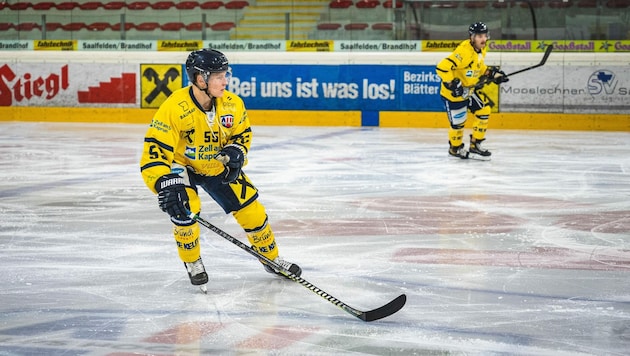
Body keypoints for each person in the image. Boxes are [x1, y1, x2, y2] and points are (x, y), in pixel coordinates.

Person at [139, 48, 301, 291]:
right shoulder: (174, 107)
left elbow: (242, 134)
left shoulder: (233, 104)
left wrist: (236, 151)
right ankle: (192, 261)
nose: (225, 81)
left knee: (252, 211)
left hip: (216, 163)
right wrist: (164, 182)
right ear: (200, 78)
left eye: (226, 74)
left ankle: (271, 258)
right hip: (181, 165)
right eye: (218, 76)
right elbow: (154, 151)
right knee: (185, 209)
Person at [435, 22, 509, 160]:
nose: (483, 39)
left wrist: (492, 74)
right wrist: (452, 84)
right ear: (472, 37)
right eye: (480, 36)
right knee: (458, 124)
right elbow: (441, 67)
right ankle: (455, 149)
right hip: (453, 96)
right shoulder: (464, 52)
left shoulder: (481, 49)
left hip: (469, 90)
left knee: (484, 111)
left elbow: (478, 67)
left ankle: (475, 145)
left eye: (485, 35)